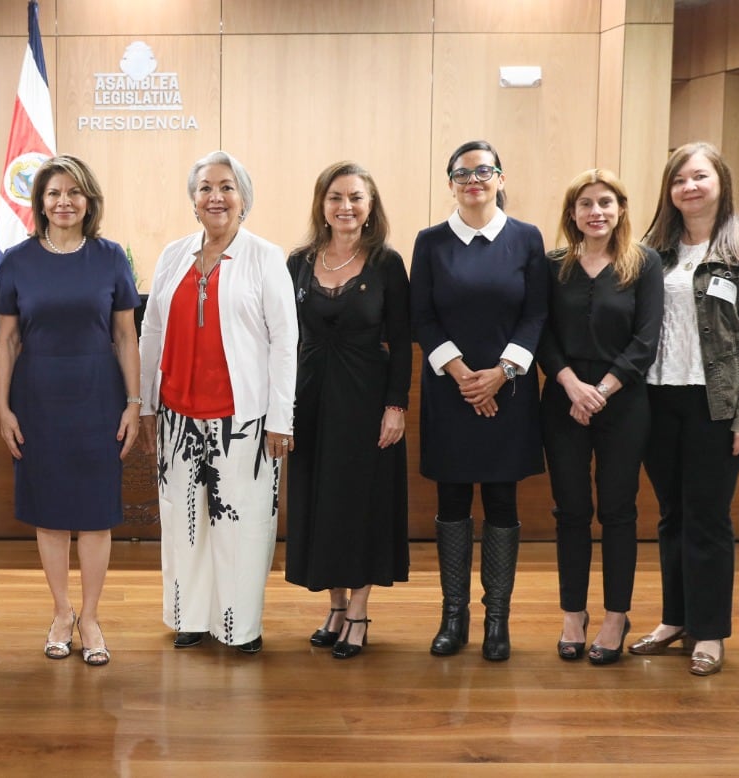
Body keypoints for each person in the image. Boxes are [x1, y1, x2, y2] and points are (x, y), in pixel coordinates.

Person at [139, 150, 297, 655]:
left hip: (244, 419)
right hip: (177, 413)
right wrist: (146, 403)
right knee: (184, 521)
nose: (216, 196)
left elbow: (285, 341)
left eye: (227, 187)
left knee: (241, 524)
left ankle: (239, 626)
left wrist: (281, 417)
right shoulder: (173, 255)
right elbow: (151, 331)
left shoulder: (265, 256)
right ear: (193, 199)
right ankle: (190, 617)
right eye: (206, 187)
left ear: (243, 198)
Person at [630, 142, 739, 676]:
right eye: (679, 180)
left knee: (708, 517)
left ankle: (709, 630)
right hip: (656, 397)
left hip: (716, 404)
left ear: (721, 183)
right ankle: (676, 619)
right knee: (671, 514)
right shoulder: (653, 249)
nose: (689, 187)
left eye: (699, 177)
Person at [0, 155, 140, 667]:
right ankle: (61, 613)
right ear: (39, 202)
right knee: (51, 513)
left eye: (74, 192)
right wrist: (3, 408)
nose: (64, 202)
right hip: (38, 398)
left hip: (99, 396)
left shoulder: (110, 256)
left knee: (96, 515)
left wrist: (134, 403)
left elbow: (126, 335)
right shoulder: (16, 260)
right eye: (54, 193)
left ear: (88, 200)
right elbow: (7, 341)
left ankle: (91, 617)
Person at [411, 139, 548, 662]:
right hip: (450, 390)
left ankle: (497, 621)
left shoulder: (527, 238)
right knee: (450, 501)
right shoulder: (430, 242)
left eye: (484, 171)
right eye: (463, 173)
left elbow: (536, 314)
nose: (474, 180)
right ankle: (454, 617)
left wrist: (500, 374)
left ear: (500, 179)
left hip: (508, 391)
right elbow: (422, 316)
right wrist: (464, 376)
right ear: (450, 183)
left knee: (501, 501)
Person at [283, 162, 410, 659]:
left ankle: (358, 609)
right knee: (321, 500)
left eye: (356, 197)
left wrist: (395, 405)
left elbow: (402, 342)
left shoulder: (387, 263)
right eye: (335, 197)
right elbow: (282, 339)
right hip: (310, 398)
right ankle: (335, 606)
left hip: (366, 400)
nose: (346, 206)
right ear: (322, 204)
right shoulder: (298, 262)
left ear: (370, 205)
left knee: (362, 502)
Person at [537, 169, 663, 666]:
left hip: (623, 403)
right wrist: (571, 385)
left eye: (605, 202)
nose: (596, 212)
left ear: (621, 209)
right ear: (572, 213)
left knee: (618, 511)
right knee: (570, 510)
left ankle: (615, 616)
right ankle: (573, 614)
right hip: (563, 401)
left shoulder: (644, 264)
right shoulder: (553, 266)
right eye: (585, 203)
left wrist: (601, 391)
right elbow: (542, 334)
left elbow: (647, 339)